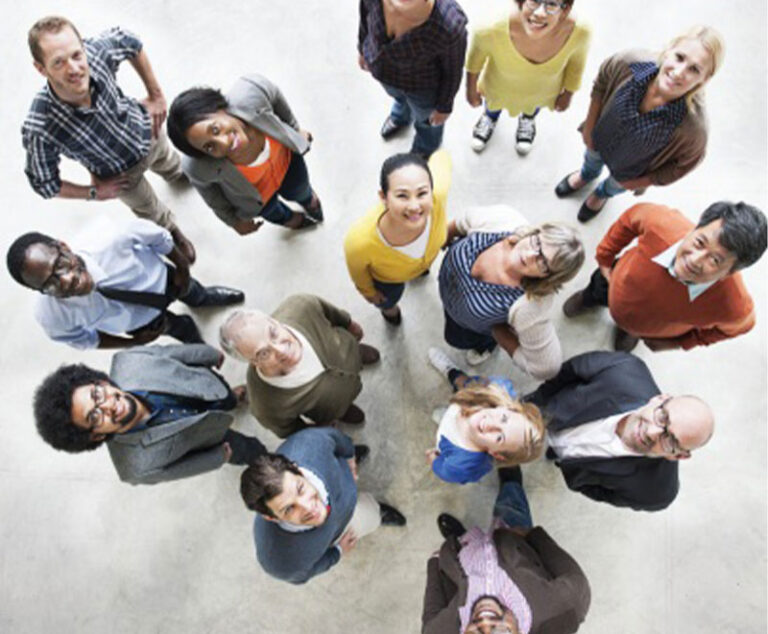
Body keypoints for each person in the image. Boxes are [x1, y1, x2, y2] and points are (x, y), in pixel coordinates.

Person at [22, 16, 195, 261]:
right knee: (149, 208)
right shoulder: (40, 127)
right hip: (120, 176)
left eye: (76, 55)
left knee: (170, 162)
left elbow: (130, 41)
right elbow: (44, 184)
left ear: (83, 47)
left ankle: (178, 176)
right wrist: (93, 192)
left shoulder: (97, 53)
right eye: (58, 62)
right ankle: (172, 231)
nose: (74, 69)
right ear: (41, 68)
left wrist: (155, 94)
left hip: (147, 132)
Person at [555, 25, 725, 222]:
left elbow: (683, 166)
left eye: (694, 69)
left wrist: (639, 181)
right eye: (679, 57)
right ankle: (587, 175)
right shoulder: (628, 63)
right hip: (600, 138)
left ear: (704, 79)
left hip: (630, 172)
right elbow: (602, 83)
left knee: (613, 186)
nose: (678, 72)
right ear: (669, 50)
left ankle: (602, 193)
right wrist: (590, 128)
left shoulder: (693, 130)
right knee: (591, 160)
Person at [33, 344, 266, 485]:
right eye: (94, 417)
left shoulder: (130, 361)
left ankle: (233, 399)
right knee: (249, 450)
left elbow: (175, 354)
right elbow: (176, 470)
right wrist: (217, 458)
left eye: (97, 393)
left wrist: (208, 355)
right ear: (94, 436)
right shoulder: (135, 468)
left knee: (224, 395)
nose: (108, 405)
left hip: (204, 386)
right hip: (209, 438)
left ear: (101, 381)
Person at [6, 219, 243, 349]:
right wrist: (132, 342)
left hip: (163, 281)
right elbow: (86, 339)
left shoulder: (110, 235)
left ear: (64, 246)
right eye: (50, 284)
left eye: (59, 264)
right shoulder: (51, 317)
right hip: (140, 324)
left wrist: (183, 269)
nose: (66, 280)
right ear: (40, 292)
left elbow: (159, 238)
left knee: (192, 290)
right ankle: (188, 331)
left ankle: (201, 298)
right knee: (174, 328)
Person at [562, 201, 767, 352]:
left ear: (731, 272)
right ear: (694, 230)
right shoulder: (662, 223)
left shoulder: (733, 306)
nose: (695, 260)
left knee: (634, 327)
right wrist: (605, 256)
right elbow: (630, 219)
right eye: (699, 243)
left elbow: (737, 329)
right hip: (614, 280)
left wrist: (680, 343)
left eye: (715, 260)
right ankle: (589, 299)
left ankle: (628, 330)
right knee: (596, 290)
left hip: (651, 326)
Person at [524, 351, 715, 511]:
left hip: (568, 460)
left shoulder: (656, 493)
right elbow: (567, 373)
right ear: (659, 399)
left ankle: (555, 453)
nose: (652, 432)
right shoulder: (623, 368)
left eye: (671, 440)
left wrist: (576, 475)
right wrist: (533, 404)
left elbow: (602, 493)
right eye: (663, 417)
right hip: (544, 414)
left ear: (678, 456)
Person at [422, 467, 591, 633]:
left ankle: (460, 539)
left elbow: (431, 618)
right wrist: (534, 537)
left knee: (462, 549)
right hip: (513, 539)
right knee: (511, 505)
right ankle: (511, 483)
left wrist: (436, 563)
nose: (485, 622)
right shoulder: (558, 612)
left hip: (464, 560)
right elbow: (577, 587)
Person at [241, 427, 406, 584]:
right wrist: (337, 553)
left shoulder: (310, 443)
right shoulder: (280, 561)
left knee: (340, 455)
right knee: (370, 516)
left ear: (297, 469)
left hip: (342, 486)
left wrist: (349, 457)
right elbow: (305, 573)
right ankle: (376, 513)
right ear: (271, 517)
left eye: (300, 489)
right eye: (289, 508)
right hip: (342, 529)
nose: (308, 507)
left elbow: (337, 439)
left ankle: (350, 464)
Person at [167, 74, 322, 233]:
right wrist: (233, 221)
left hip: (288, 163)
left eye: (215, 129)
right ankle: (292, 220)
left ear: (221, 108)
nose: (224, 143)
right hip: (257, 198)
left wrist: (295, 128)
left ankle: (308, 201)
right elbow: (211, 195)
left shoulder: (252, 92)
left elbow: (274, 95)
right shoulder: (197, 167)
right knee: (274, 213)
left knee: (300, 189)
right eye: (209, 147)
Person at [439, 204, 583, 366]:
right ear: (535, 233)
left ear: (549, 276)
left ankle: (484, 347)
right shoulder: (503, 220)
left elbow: (546, 367)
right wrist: (442, 240)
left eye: (544, 262)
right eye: (537, 243)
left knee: (456, 339)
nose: (529, 255)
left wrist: (499, 333)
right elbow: (460, 223)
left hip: (468, 327)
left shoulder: (532, 304)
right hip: (448, 297)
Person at [219, 295, 381, 439]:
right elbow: (291, 430)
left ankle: (357, 354)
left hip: (347, 349)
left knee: (354, 353)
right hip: (333, 408)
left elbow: (331, 313)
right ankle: (343, 411)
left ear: (274, 320)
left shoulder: (301, 306)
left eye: (273, 333)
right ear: (252, 362)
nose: (281, 351)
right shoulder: (265, 406)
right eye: (263, 353)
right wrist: (319, 429)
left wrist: (350, 325)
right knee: (339, 408)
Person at [466, 0, 591, 155]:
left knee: (533, 106)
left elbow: (576, 65)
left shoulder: (579, 33)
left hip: (542, 91)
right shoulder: (490, 28)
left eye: (551, 4)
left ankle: (528, 119)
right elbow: (474, 61)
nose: (540, 13)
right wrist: (471, 89)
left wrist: (568, 93)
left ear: (566, 9)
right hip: (499, 86)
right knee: (493, 104)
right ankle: (490, 118)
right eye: (533, 1)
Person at [344, 150, 452, 325]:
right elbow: (359, 274)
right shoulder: (359, 241)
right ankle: (390, 311)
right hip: (388, 281)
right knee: (388, 299)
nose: (414, 206)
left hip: (423, 262)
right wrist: (369, 292)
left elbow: (442, 158)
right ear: (383, 198)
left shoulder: (438, 195)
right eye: (402, 195)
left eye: (422, 193)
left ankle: (420, 271)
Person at [358, 0, 468, 157]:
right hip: (386, 74)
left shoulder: (449, 25)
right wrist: (362, 47)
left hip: (422, 87)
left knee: (427, 122)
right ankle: (400, 117)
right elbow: (364, 17)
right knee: (398, 98)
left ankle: (425, 148)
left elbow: (452, 72)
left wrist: (444, 106)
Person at [424, 353, 545, 484]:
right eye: (504, 418)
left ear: (496, 453)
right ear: (507, 407)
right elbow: (476, 385)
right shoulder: (495, 389)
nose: (490, 424)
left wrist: (434, 459)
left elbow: (443, 470)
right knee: (464, 382)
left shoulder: (460, 466)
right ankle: (450, 371)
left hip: (446, 438)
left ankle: (445, 420)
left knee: (448, 419)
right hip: (466, 398)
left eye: (500, 438)